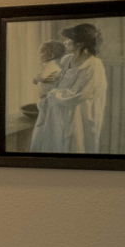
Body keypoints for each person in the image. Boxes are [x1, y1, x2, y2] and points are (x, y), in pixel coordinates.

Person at [37, 22, 109, 154]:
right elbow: (57, 82)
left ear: (80, 43)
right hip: (59, 112)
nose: (65, 42)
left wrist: (54, 95)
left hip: (79, 114)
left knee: (75, 146)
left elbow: (82, 94)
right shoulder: (66, 60)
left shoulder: (94, 65)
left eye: (68, 39)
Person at [26, 40, 70, 152]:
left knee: (45, 130)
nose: (39, 55)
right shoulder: (51, 65)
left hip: (48, 103)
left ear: (51, 55)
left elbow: (41, 78)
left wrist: (36, 78)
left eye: (41, 52)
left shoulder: (51, 65)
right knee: (46, 129)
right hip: (47, 102)